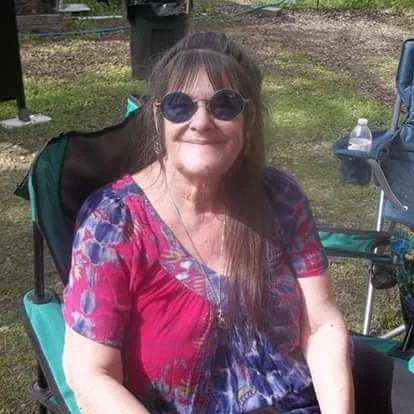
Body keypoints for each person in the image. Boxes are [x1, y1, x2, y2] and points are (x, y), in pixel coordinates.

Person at [61, 31, 414, 414]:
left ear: (249, 120)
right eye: (179, 105)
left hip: (306, 393)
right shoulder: (113, 222)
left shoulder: (278, 196)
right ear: (157, 117)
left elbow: (319, 323)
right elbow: (91, 375)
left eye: (224, 104)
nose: (201, 121)